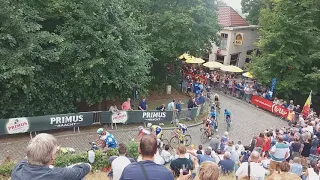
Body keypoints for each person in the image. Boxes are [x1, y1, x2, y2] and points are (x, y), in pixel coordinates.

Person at [11, 133, 91, 180]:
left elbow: (27, 157)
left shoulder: (17, 168)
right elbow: (86, 167)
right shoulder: (57, 174)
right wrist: (70, 167)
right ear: (52, 157)